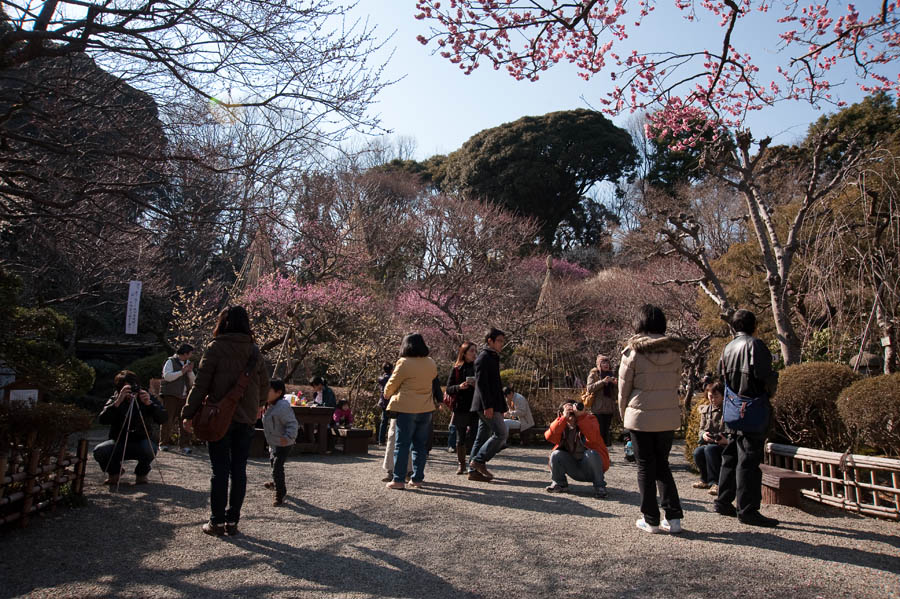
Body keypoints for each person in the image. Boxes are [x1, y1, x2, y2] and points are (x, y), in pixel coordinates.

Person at [182, 305, 269, 537]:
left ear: (223, 323)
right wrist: (259, 405)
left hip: (218, 417)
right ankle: (233, 522)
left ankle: (216, 522)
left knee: (219, 470)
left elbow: (201, 384)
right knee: (239, 470)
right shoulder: (254, 351)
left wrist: (188, 413)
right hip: (246, 418)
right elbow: (264, 384)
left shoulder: (216, 348)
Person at [618, 304, 686, 534]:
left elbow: (623, 391)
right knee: (663, 466)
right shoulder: (675, 352)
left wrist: (624, 416)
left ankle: (651, 519)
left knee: (645, 467)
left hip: (640, 417)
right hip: (667, 417)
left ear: (640, 323)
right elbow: (675, 385)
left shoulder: (633, 352)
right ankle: (674, 517)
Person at [714, 309, 780, 528]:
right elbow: (764, 377)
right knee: (749, 460)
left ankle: (724, 500)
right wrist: (772, 384)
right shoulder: (755, 345)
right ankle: (748, 509)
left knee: (731, 454)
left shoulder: (727, 348)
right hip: (752, 407)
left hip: (732, 408)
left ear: (733, 327)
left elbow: (720, 375)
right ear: (754, 325)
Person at [383, 333, 439, 490]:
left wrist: (387, 394)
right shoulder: (431, 363)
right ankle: (417, 479)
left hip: (406, 409)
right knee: (420, 446)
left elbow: (391, 385)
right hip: (426, 408)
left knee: (402, 445)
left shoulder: (404, 362)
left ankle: (398, 480)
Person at [93, 370, 168, 486]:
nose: (131, 392)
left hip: (142, 441)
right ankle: (114, 473)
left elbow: (163, 418)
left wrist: (149, 404)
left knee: (149, 448)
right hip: (118, 441)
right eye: (126, 388)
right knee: (100, 450)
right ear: (119, 388)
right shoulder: (116, 398)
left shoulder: (145, 396)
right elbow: (102, 420)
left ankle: (141, 474)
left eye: (132, 387)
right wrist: (118, 402)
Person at [544, 401, 610, 498]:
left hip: (590, 467)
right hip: (573, 467)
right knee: (555, 454)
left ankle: (600, 486)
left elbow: (593, 437)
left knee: (591, 454)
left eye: (573, 411)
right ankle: (559, 484)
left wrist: (581, 417)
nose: (572, 415)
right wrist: (563, 419)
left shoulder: (589, 419)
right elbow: (550, 437)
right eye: (568, 412)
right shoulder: (561, 425)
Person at [468, 327, 508, 482]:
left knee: (482, 436)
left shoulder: (492, 357)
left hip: (490, 403)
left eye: (502, 341)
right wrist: (488, 406)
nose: (501, 344)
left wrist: (502, 407)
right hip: (486, 404)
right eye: (499, 341)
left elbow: (496, 386)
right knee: (501, 433)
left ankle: (473, 471)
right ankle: (478, 461)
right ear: (489, 341)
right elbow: (483, 385)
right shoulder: (484, 358)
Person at [262, 379, 298, 506]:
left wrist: (288, 436)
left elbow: (292, 424)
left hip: (284, 442)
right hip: (274, 442)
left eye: (268, 390)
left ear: (278, 392)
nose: (264, 392)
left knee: (277, 467)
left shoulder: (282, 407)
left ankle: (280, 493)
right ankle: (276, 482)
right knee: (274, 464)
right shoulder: (268, 404)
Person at [446, 341, 478, 474]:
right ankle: (461, 464)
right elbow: (448, 389)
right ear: (464, 353)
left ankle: (473, 463)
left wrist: (477, 385)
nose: (474, 354)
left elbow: (486, 387)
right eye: (471, 351)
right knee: (460, 437)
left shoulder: (478, 367)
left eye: (475, 351)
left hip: (476, 406)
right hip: (461, 406)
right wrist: (459, 387)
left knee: (474, 435)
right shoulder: (456, 369)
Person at [159, 343, 196, 454]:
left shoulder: (187, 363)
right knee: (168, 419)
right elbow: (167, 376)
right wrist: (182, 372)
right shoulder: (170, 361)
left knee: (183, 421)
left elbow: (193, 381)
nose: (190, 356)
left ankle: (184, 445)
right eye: (190, 353)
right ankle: (163, 443)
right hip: (171, 395)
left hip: (184, 395)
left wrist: (189, 372)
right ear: (185, 353)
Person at [692, 381, 727, 495]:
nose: (713, 399)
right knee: (698, 452)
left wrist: (725, 439)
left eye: (716, 396)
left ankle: (716, 482)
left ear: (723, 396)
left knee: (710, 450)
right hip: (710, 442)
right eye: (710, 396)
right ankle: (705, 479)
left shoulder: (728, 410)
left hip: (725, 443)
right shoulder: (706, 410)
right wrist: (704, 435)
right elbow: (701, 429)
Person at [585, 354, 617, 448]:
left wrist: (615, 384)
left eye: (607, 362)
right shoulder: (593, 374)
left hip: (609, 409)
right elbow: (589, 388)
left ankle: (604, 454)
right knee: (599, 433)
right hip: (597, 409)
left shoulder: (611, 375)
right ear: (599, 364)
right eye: (603, 362)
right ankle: (598, 454)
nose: (606, 364)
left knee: (606, 433)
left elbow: (615, 394)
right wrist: (603, 382)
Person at [376, 362, 392, 445]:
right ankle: (390, 439)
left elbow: (379, 378)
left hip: (383, 401)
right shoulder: (392, 378)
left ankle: (381, 440)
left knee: (384, 421)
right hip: (391, 401)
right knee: (393, 422)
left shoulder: (381, 379)